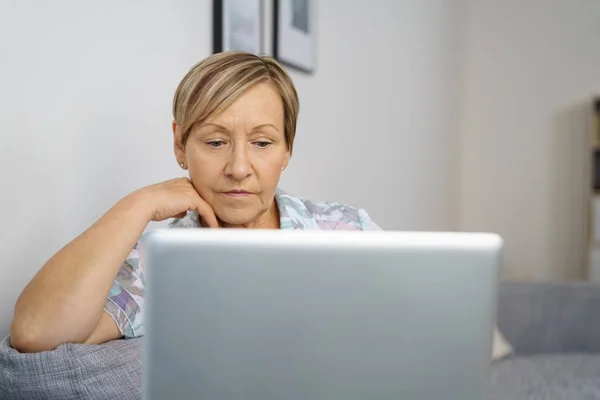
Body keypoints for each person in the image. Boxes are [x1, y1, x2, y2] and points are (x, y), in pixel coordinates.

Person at [9, 51, 381, 353]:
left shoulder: (348, 230)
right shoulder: (158, 265)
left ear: (288, 149)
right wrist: (140, 203)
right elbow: (34, 333)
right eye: (215, 142)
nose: (238, 168)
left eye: (262, 143)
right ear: (179, 145)